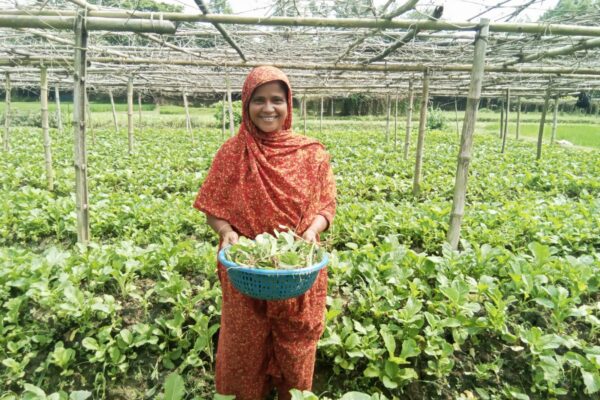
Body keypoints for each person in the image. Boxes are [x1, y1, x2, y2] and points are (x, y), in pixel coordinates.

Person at [193, 66, 337, 400]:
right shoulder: (231, 153)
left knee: (296, 343)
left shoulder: (311, 153)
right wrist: (226, 231)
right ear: (246, 104)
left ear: (288, 105)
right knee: (244, 344)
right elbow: (213, 209)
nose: (268, 108)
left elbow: (327, 206)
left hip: (295, 272)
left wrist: (313, 231)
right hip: (247, 271)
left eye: (277, 100)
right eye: (259, 100)